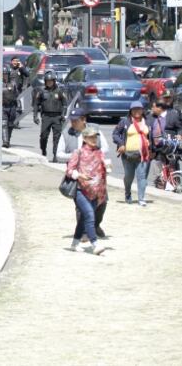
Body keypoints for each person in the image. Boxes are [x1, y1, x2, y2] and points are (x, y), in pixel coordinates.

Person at [65, 127, 108, 255]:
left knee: (84, 219)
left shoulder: (99, 152)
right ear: (84, 138)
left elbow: (102, 169)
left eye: (95, 137)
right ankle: (95, 244)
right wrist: (80, 175)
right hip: (81, 190)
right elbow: (69, 171)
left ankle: (74, 243)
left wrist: (106, 167)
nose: (94, 139)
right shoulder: (78, 152)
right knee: (90, 215)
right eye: (91, 137)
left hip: (96, 191)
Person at [112, 101, 151, 206]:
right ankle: (127, 193)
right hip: (127, 155)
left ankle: (141, 199)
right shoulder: (125, 122)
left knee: (142, 177)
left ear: (143, 110)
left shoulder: (147, 122)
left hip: (143, 155)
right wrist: (121, 144)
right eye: (134, 109)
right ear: (131, 111)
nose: (137, 111)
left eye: (139, 109)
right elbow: (115, 134)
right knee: (129, 177)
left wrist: (152, 148)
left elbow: (151, 136)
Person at [33, 71, 67, 161]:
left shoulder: (59, 91)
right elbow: (36, 104)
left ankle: (55, 155)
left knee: (57, 137)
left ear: (54, 81)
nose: (49, 83)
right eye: (47, 81)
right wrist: (35, 116)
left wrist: (63, 115)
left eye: (51, 81)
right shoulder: (41, 91)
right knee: (43, 136)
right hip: (46, 116)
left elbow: (65, 104)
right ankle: (43, 151)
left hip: (57, 117)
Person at [0, 68, 20, 148]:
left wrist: (19, 106)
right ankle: (5, 141)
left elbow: (17, 95)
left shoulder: (13, 84)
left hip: (12, 107)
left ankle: (8, 140)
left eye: (6, 74)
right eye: (3, 74)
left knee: (10, 125)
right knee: (4, 124)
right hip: (3, 107)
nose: (5, 76)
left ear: (8, 75)